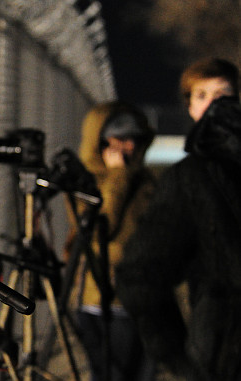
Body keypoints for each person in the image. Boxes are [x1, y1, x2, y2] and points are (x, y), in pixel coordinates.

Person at [115, 57, 241, 381]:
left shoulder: (189, 176)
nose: (214, 105)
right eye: (203, 95)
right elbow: (141, 276)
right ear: (189, 106)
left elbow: (139, 277)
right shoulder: (191, 178)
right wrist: (180, 357)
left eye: (223, 95)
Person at [67, 101, 156, 381]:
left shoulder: (144, 180)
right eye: (116, 139)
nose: (125, 147)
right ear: (99, 141)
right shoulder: (87, 183)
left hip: (144, 297)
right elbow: (97, 232)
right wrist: (117, 176)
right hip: (104, 298)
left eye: (132, 140)